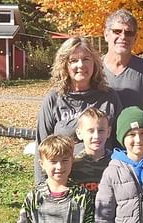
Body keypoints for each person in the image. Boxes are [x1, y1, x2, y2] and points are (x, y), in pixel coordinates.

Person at [35, 36, 123, 184]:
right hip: (65, 182)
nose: (81, 65)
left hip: (104, 180)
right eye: (73, 60)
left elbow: (121, 142)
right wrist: (42, 188)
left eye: (86, 59)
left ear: (95, 63)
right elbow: (41, 146)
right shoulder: (54, 99)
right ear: (64, 65)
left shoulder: (109, 97)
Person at [101, 9, 143, 113]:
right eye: (117, 31)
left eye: (129, 33)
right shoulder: (93, 68)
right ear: (106, 34)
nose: (123, 37)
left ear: (135, 38)